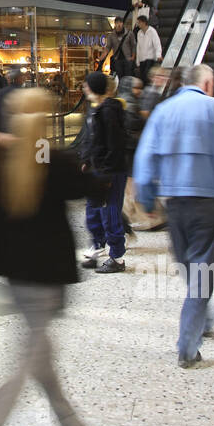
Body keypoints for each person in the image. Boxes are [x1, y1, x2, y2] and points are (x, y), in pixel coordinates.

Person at [0, 87, 97, 426]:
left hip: (16, 278)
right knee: (27, 361)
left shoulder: (2, 163)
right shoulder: (53, 161)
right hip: (48, 278)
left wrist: (0, 252)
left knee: (39, 356)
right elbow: (90, 188)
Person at [134, 64, 214, 368]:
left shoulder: (164, 110)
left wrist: (146, 195)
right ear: (207, 83)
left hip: (173, 201)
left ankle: (203, 317)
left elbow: (145, 154)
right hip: (206, 201)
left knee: (187, 263)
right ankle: (188, 346)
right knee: (201, 268)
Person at [77, 71, 130, 275]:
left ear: (95, 88)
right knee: (93, 209)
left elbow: (115, 145)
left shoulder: (109, 111)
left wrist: (106, 173)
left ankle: (117, 256)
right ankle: (97, 245)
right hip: (97, 169)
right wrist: (86, 160)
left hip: (110, 171)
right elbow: (92, 141)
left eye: (87, 85)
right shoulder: (95, 110)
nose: (84, 88)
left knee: (110, 212)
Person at [134, 15, 162, 83]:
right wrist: (137, 61)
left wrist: (158, 55)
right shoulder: (139, 33)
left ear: (144, 22)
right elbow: (138, 47)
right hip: (142, 59)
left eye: (139, 22)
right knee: (142, 77)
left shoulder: (152, 31)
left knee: (148, 76)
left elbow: (157, 43)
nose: (138, 24)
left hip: (150, 57)